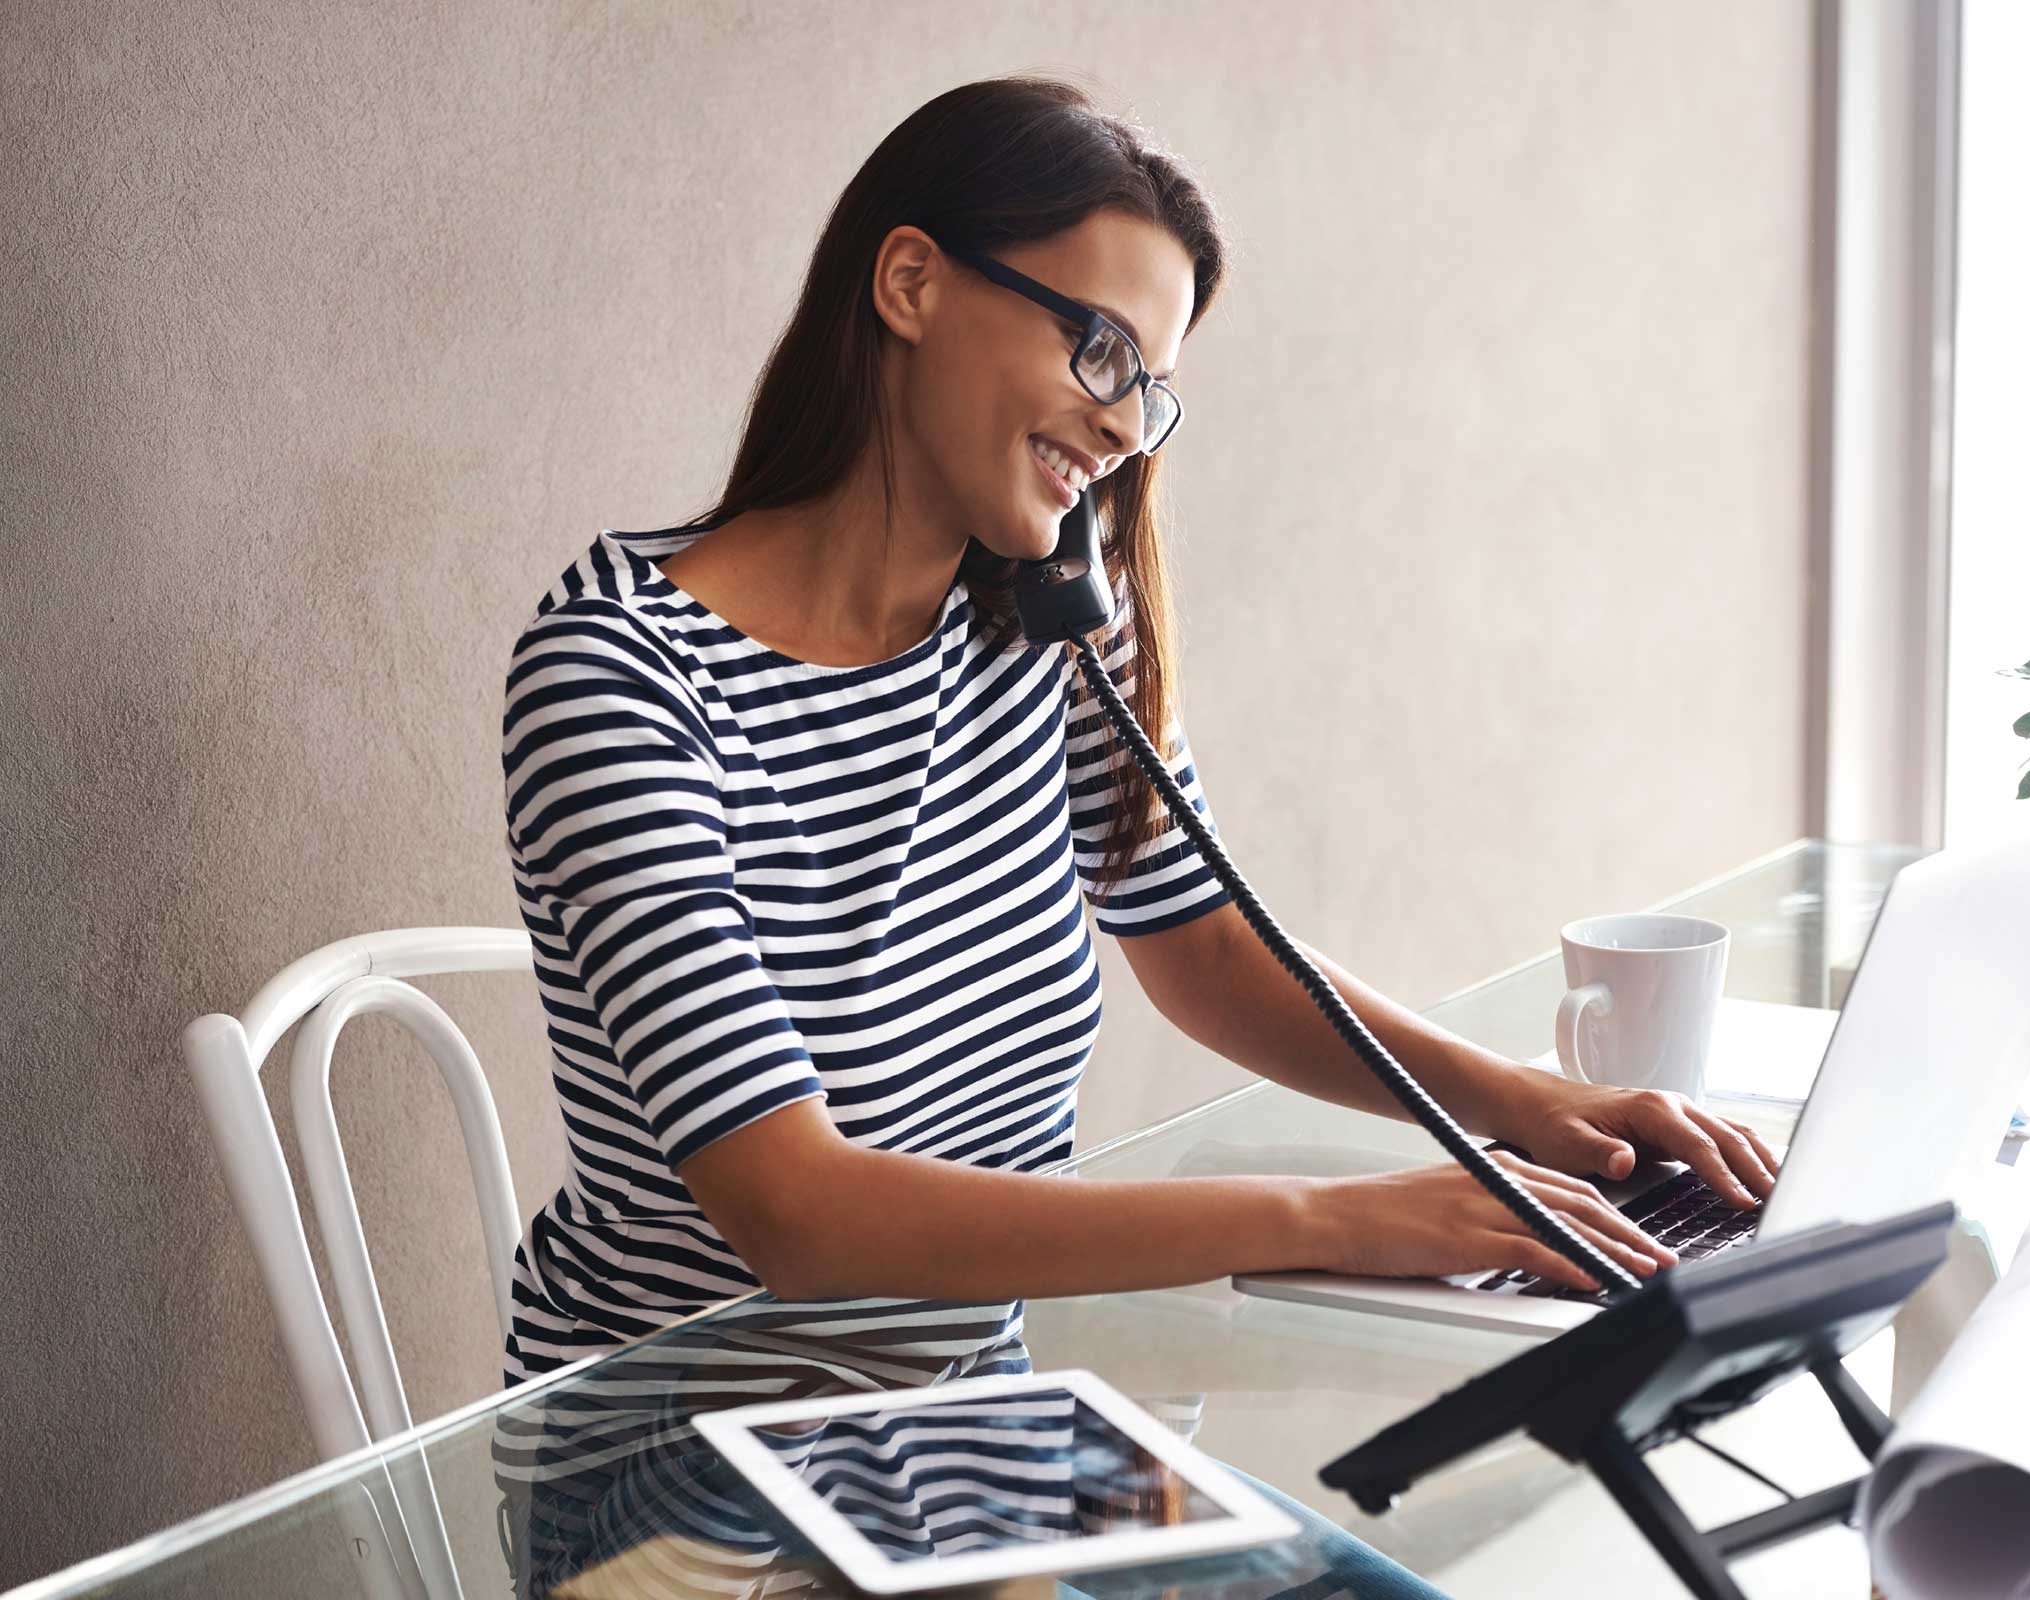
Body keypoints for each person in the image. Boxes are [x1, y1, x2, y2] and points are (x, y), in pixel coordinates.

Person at [492, 73, 1778, 1596]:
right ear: (908, 283)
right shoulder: (620, 675)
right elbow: (803, 1216)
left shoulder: (1038, 636)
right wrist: (1342, 1221)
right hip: (678, 1481)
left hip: (974, 1446)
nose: (1121, 421)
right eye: (1096, 346)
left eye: (1149, 383)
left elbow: (1212, 948)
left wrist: (1517, 1106)